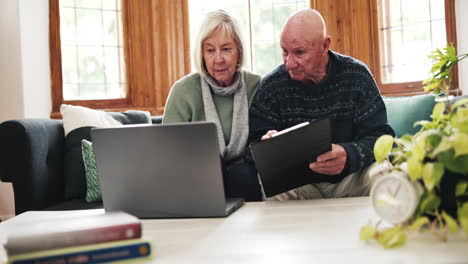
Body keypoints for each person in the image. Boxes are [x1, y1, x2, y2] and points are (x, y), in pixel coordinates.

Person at [248, 8, 395, 200]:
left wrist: (349, 155)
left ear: (325, 46)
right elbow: (251, 150)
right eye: (284, 51)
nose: (289, 63)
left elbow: (383, 139)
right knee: (268, 182)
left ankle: (377, 230)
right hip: (299, 186)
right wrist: (265, 146)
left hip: (350, 179)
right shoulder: (271, 86)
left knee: (383, 171)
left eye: (299, 52)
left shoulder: (357, 76)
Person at [163, 10, 262, 201]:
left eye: (226, 49)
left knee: (242, 175)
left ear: (239, 51)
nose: (218, 59)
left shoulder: (256, 85)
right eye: (210, 50)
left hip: (246, 177)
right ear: (201, 54)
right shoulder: (183, 90)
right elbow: (168, 153)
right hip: (196, 177)